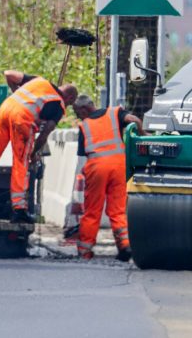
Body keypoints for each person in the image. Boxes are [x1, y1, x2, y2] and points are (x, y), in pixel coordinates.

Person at [0, 71, 78, 222]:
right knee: (21, 163)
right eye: (70, 103)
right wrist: (33, 153)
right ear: (69, 98)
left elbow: (8, 74)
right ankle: (19, 210)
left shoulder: (39, 81)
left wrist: (17, 97)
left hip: (5, 109)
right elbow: (45, 135)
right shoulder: (58, 105)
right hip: (21, 119)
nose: (67, 106)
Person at [74, 95, 143, 261]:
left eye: (77, 112)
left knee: (92, 210)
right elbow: (134, 120)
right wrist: (142, 134)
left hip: (97, 167)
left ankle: (85, 250)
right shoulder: (114, 113)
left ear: (84, 109)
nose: (77, 116)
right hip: (119, 166)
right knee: (118, 209)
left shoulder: (84, 126)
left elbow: (83, 155)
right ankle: (125, 245)